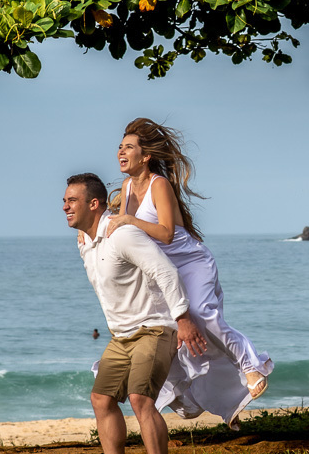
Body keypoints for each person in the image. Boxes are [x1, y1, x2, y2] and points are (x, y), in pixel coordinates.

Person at [105, 118, 273, 423]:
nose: (120, 151)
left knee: (203, 316)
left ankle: (251, 365)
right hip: (164, 270)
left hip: (191, 263)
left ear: (146, 156)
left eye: (128, 147)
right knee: (175, 337)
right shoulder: (128, 187)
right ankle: (217, 399)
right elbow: (118, 229)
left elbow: (166, 233)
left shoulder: (160, 184)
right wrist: (89, 231)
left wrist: (129, 220)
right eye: (119, 146)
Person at [64, 172, 206, 454]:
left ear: (94, 203)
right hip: (121, 335)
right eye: (64, 201)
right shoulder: (85, 242)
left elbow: (165, 271)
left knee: (140, 398)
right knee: (101, 399)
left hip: (155, 328)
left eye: (72, 200)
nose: (65, 206)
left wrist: (183, 320)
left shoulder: (122, 234)